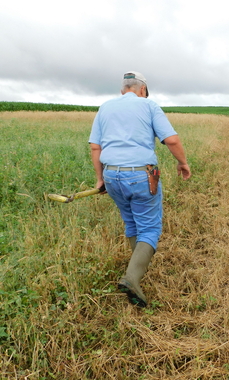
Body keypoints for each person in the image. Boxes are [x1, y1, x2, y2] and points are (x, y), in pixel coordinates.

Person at [89, 71, 191, 308]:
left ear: (123, 89)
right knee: (150, 228)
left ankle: (137, 267)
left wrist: (100, 179)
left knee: (131, 223)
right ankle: (132, 278)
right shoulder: (149, 106)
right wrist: (183, 163)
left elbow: (96, 147)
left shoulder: (105, 107)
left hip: (111, 173)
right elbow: (172, 140)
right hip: (141, 174)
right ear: (142, 90)